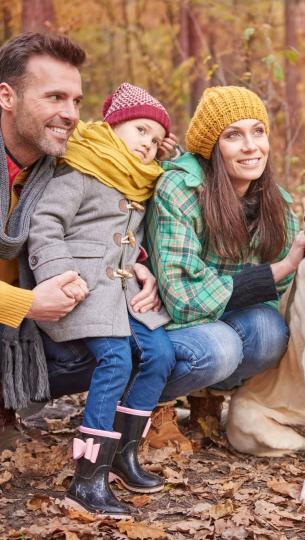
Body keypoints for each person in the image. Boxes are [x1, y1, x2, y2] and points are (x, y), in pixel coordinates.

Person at [27, 83, 177, 517]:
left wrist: (142, 259)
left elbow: (127, 237)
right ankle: (87, 477)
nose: (147, 143)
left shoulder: (140, 179)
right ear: (113, 126)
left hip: (122, 292)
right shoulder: (82, 169)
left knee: (160, 353)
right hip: (82, 290)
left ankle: (125, 455)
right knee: (115, 360)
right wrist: (57, 273)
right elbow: (46, 221)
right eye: (140, 130)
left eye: (154, 138)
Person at [144, 86, 305, 448]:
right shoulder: (180, 188)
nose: (251, 146)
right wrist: (279, 270)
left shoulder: (274, 201)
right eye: (233, 135)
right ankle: (151, 407)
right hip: (166, 323)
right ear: (212, 147)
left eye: (258, 131)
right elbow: (182, 297)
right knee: (220, 348)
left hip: (220, 314)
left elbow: (276, 294)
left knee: (269, 333)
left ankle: (206, 396)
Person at [0, 32, 87, 450]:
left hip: (27, 331)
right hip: (19, 311)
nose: (69, 114)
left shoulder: (64, 163)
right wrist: (27, 303)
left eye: (76, 101)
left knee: (142, 345)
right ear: (7, 97)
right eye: (54, 97)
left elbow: (127, 151)